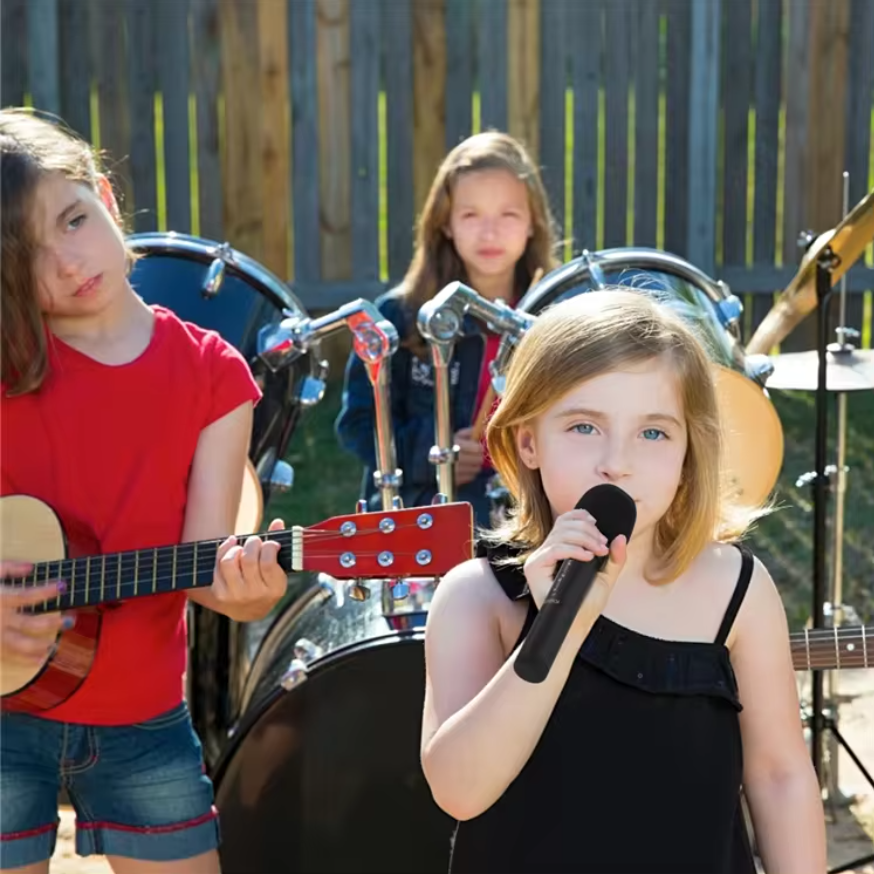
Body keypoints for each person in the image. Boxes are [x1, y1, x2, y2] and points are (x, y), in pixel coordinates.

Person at [420, 289, 826, 873]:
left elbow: (780, 775)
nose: (618, 462)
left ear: (689, 453)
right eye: (584, 427)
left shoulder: (737, 589)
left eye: (653, 433)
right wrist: (558, 626)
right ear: (528, 441)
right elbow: (460, 790)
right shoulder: (478, 596)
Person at [0, 108, 289, 874]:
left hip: (141, 717)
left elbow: (207, 565)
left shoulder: (212, 375)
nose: (67, 263)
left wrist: (250, 594)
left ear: (106, 197)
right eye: (29, 253)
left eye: (73, 220)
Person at [335, 131, 560, 525]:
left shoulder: (558, 318)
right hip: (427, 515)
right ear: (446, 224)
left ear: (532, 223)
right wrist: (433, 452)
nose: (489, 232)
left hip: (534, 516)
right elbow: (357, 424)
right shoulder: (399, 316)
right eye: (471, 215)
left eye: (508, 214)